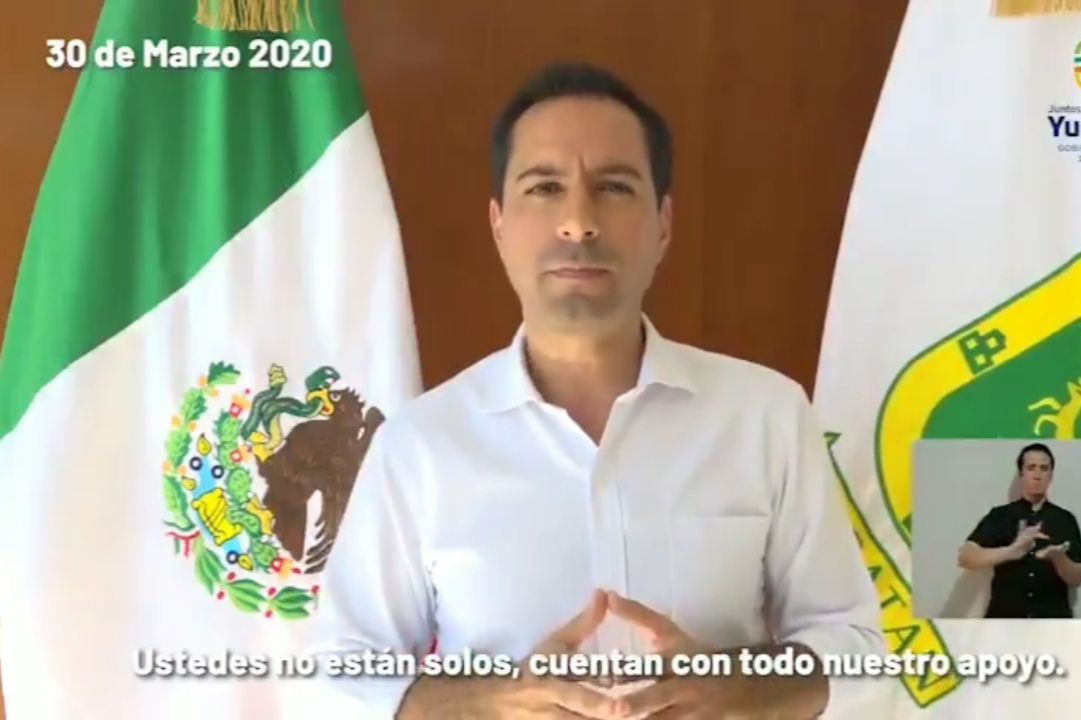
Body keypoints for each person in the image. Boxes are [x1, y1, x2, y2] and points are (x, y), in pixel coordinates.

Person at [310, 61, 884, 718]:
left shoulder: (765, 415)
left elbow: (858, 649)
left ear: (663, 222)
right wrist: (491, 703)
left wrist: (737, 687)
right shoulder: (421, 443)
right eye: (544, 188)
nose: (578, 222)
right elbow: (340, 676)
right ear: (498, 225)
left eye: (613, 187)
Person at [957, 442, 1081, 618]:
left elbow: (1078, 578)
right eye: (1031, 468)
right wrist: (1012, 551)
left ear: (1051, 475)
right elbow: (966, 558)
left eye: (1044, 468)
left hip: (1052, 622)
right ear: (1021, 474)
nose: (1037, 475)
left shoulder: (1065, 519)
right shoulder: (1000, 515)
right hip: (1004, 621)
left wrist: (1058, 557)